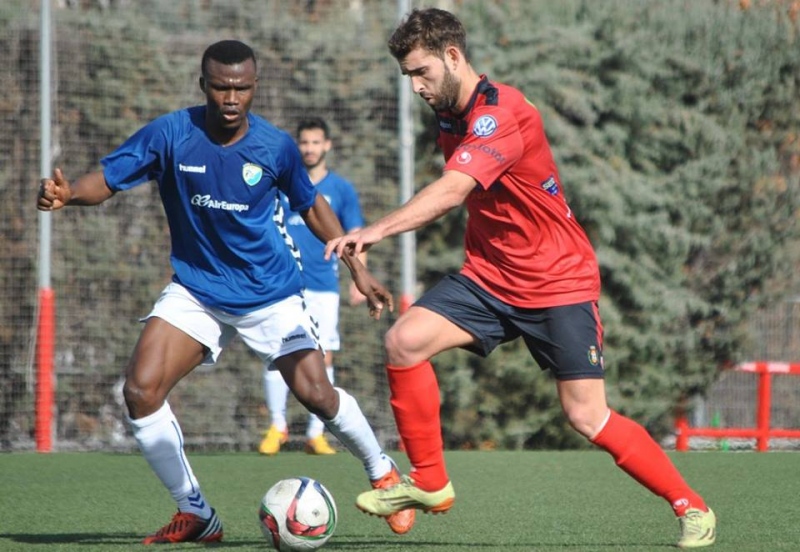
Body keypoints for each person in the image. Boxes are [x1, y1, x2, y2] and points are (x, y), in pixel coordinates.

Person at [326, 9, 716, 549]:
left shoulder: (499, 114)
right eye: (408, 77)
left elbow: (453, 191)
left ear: (454, 57)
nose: (416, 86)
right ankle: (431, 483)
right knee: (404, 341)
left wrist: (375, 231)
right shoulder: (449, 116)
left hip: (557, 281)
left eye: (422, 73)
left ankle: (691, 507)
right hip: (490, 277)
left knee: (587, 416)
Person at [37, 39, 415, 541]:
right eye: (220, 87)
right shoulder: (171, 134)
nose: (231, 97)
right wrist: (70, 195)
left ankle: (381, 470)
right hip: (198, 291)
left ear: (254, 87)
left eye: (241, 88)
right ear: (204, 85)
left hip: (271, 293)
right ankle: (195, 512)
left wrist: (356, 267)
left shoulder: (275, 146)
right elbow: (108, 179)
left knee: (317, 394)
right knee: (140, 390)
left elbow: (313, 206)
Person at [259, 116, 367, 456]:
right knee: (276, 351)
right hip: (283, 283)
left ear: (327, 146)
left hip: (323, 286)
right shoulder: (283, 184)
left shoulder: (341, 189)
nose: (309, 148)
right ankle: (277, 427)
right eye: (303, 142)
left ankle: (316, 433)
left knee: (324, 353)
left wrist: (358, 277)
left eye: (315, 142)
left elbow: (354, 236)